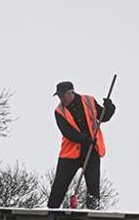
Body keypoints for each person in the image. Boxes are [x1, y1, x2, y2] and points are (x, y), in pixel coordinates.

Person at [47, 80, 115, 209]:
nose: (61, 99)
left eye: (63, 95)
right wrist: (84, 139)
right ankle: (51, 211)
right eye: (59, 96)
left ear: (71, 93)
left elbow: (103, 117)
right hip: (69, 154)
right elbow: (67, 132)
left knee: (93, 186)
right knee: (60, 184)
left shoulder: (88, 101)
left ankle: (93, 211)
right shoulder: (59, 111)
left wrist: (109, 107)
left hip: (91, 150)